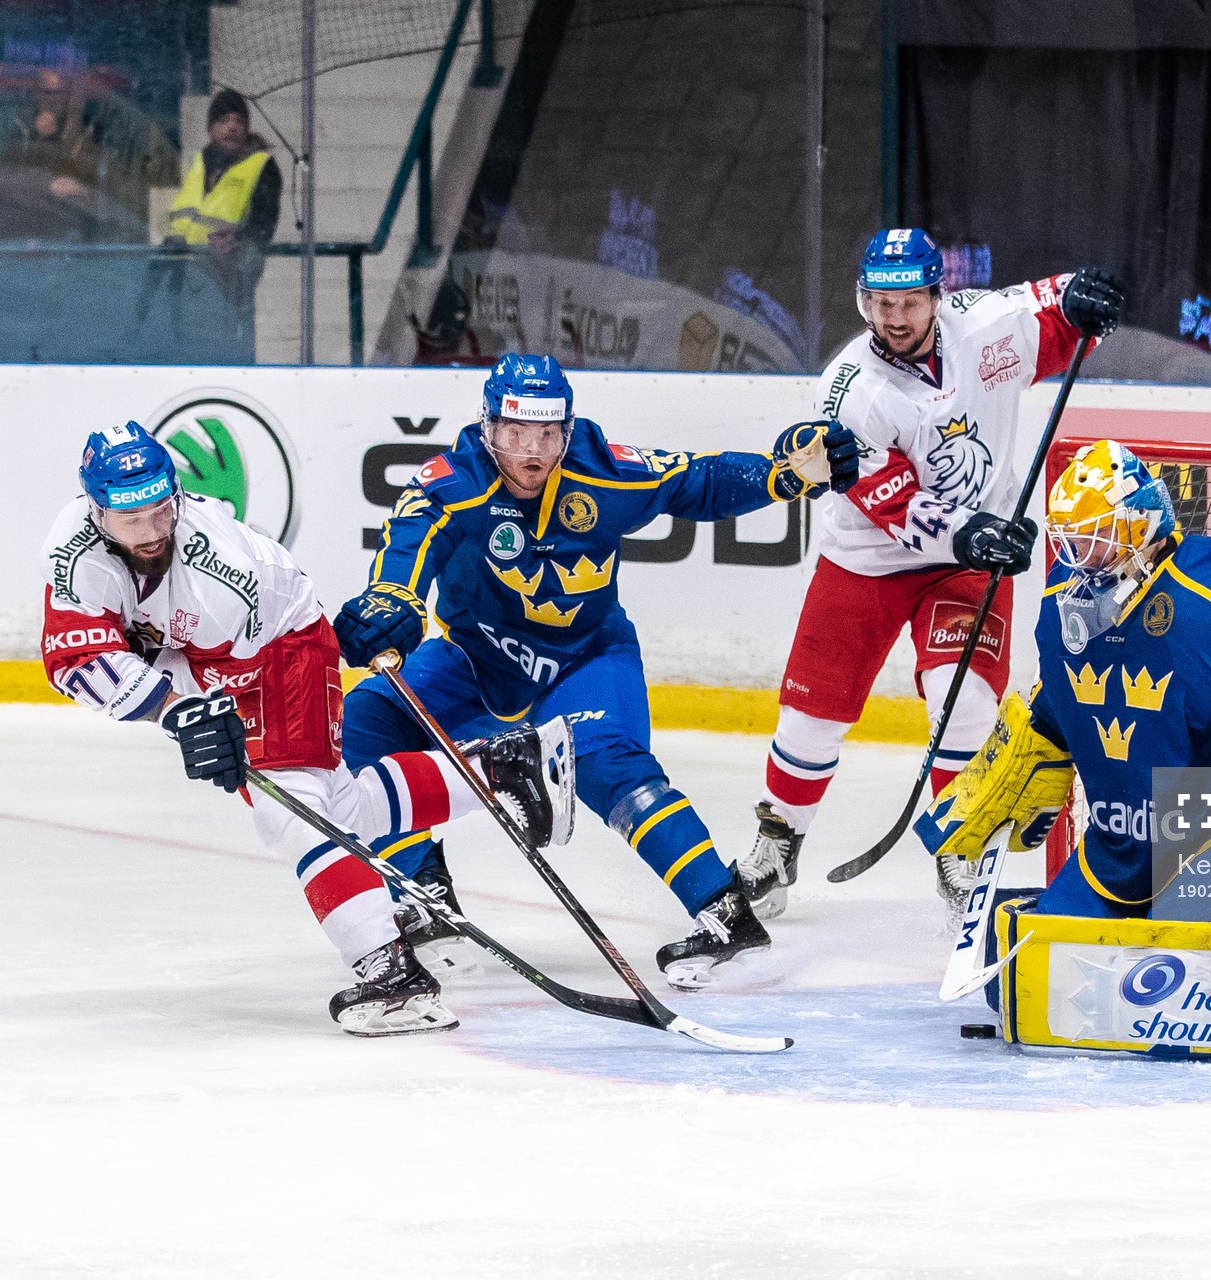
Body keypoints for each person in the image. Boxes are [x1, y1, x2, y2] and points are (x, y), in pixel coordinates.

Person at [335, 353, 858, 990]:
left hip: (584, 659)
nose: (531, 453)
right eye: (515, 435)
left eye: (547, 435)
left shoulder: (603, 470)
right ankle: (422, 892)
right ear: (487, 428)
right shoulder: (456, 480)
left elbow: (700, 481)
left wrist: (783, 476)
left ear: (568, 428)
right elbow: (409, 541)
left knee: (607, 760)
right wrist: (392, 600)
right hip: (476, 662)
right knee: (368, 713)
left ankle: (726, 915)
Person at [39, 421, 575, 1036]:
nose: (150, 533)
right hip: (211, 656)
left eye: (160, 513)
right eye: (130, 520)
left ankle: (391, 976)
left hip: (277, 647)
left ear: (174, 496)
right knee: (337, 804)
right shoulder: (72, 543)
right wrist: (173, 710)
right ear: (95, 510)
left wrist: (185, 707)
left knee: (292, 812)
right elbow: (75, 656)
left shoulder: (217, 571)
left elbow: (222, 658)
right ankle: (506, 774)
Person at [741, 227, 1126, 918]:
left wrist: (1085, 298)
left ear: (935, 297)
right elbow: (884, 499)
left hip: (966, 566)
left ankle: (963, 847)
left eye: (909, 302)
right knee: (811, 715)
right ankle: (777, 844)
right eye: (879, 303)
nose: (893, 318)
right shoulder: (849, 391)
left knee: (965, 701)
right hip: (867, 559)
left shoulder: (986, 329)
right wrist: (972, 532)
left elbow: (1055, 308)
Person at [916, 439, 1211, 919]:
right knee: (1036, 976)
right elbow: (1057, 707)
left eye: (1094, 538)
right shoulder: (1065, 596)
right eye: (1069, 541)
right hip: (1117, 851)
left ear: (1139, 526)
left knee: (1172, 969)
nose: (1078, 557)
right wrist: (1006, 774)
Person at [165, 88, 281, 353]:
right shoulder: (199, 164)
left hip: (230, 281)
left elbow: (265, 224)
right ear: (210, 129)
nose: (232, 127)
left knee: (230, 357)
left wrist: (238, 240)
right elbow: (180, 220)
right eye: (223, 121)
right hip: (188, 281)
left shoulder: (261, 165)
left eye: (239, 121)